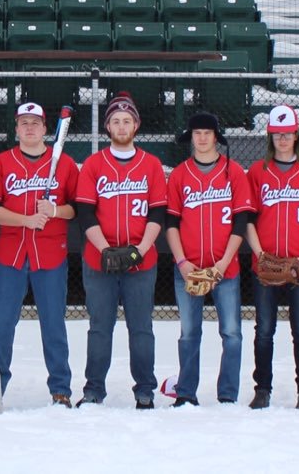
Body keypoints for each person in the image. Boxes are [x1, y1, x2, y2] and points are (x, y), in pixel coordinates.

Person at [75, 92, 168, 409]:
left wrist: (140, 250)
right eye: (115, 120)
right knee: (100, 327)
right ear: (108, 127)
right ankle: (93, 389)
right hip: (99, 261)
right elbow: (85, 212)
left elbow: (157, 213)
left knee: (141, 328)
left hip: (142, 262)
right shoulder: (93, 163)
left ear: (136, 125)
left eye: (127, 120)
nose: (121, 125)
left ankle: (145, 389)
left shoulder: (151, 164)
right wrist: (105, 250)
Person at [0, 103, 80, 407]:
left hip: (50, 253)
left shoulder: (64, 164)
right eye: (23, 123)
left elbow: (75, 209)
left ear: (44, 129)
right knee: (1, 324)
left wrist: (53, 210)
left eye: (35, 123)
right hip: (11, 253)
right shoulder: (2, 162)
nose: (29, 128)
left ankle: (60, 388)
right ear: (16, 129)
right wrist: (24, 219)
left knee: (53, 323)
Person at [164, 112, 253, 407]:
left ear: (217, 137)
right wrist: (182, 263)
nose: (202, 138)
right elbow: (172, 224)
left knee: (232, 333)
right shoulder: (179, 174)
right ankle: (186, 393)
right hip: (187, 268)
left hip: (224, 268)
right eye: (197, 132)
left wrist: (224, 263)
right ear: (191, 137)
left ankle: (227, 394)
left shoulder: (233, 172)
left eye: (207, 132)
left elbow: (241, 222)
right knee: (189, 332)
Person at [246, 105, 299, 409]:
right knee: (264, 330)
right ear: (271, 136)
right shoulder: (257, 171)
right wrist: (261, 256)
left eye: (288, 133)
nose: (283, 139)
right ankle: (262, 388)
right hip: (265, 265)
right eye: (277, 134)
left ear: (296, 135)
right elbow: (248, 219)